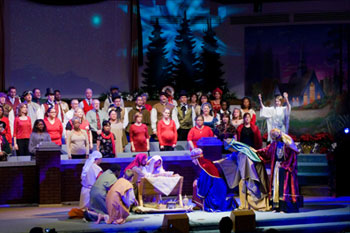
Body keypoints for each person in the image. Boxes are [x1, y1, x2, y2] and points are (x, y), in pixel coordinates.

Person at [256, 128, 301, 213]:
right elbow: (267, 151)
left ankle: (284, 207)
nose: (275, 139)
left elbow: (292, 157)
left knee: (283, 187)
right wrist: (257, 151)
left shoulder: (288, 144)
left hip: (285, 169)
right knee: (275, 186)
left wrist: (285, 165)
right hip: (277, 167)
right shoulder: (274, 144)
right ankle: (276, 207)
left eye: (276, 137)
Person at [221, 139, 270, 211]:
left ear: (234, 147)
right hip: (248, 171)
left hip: (253, 172)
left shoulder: (243, 153)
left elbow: (247, 166)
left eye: (230, 149)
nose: (230, 151)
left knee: (251, 186)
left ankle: (258, 205)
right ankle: (245, 205)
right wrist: (219, 162)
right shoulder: (239, 151)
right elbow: (231, 158)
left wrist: (244, 177)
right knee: (243, 184)